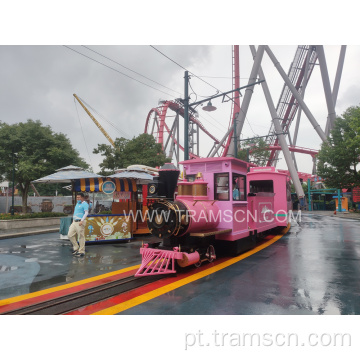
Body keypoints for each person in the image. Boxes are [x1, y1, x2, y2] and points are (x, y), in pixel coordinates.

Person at [67, 193, 89, 257]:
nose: (77, 199)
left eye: (79, 197)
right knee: (70, 235)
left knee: (81, 237)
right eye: (77, 198)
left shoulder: (85, 204)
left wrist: (82, 220)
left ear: (82, 198)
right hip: (74, 222)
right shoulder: (77, 204)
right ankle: (76, 248)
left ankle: (81, 251)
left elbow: (86, 212)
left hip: (80, 222)